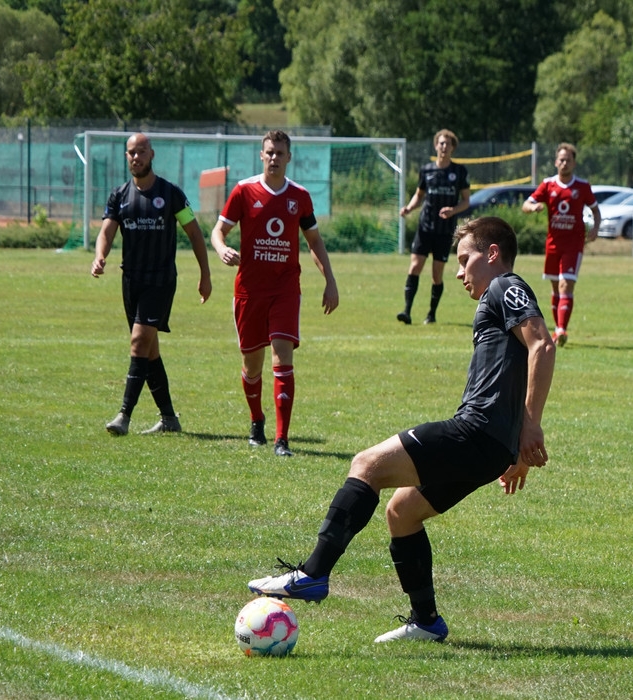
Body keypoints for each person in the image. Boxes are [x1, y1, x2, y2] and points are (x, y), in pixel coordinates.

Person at [247, 216, 556, 643]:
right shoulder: (497, 296)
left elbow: (542, 343)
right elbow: (521, 365)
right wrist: (517, 445)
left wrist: (531, 426)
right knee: (402, 512)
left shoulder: (506, 286)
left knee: (366, 464)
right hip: (491, 445)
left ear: (492, 254)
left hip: (476, 432)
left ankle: (313, 573)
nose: (459, 272)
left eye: (464, 260)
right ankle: (426, 621)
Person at [211, 129, 339, 458]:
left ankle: (282, 440)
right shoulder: (244, 191)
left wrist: (330, 280)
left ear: (289, 158)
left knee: (282, 355)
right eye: (269, 152)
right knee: (252, 365)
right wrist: (222, 249)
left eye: (280, 153)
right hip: (249, 291)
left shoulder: (300, 196)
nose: (274, 158)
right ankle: (257, 420)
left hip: (285, 288)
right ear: (261, 155)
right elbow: (218, 231)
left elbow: (314, 241)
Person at [91, 132, 212, 436]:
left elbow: (194, 233)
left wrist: (205, 274)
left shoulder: (171, 194)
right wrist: (100, 256)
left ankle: (124, 416)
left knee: (138, 342)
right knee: (149, 350)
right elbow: (106, 232)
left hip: (160, 280)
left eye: (141, 151)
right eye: (131, 152)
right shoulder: (119, 196)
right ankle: (169, 418)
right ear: (126, 156)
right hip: (131, 280)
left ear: (152, 154)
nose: (136, 157)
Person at [522, 143, 601, 347]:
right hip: (553, 245)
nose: (564, 163)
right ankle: (558, 329)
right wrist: (533, 207)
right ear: (556, 162)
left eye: (568, 160)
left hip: (573, 245)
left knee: (566, 284)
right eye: (561, 159)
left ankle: (561, 329)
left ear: (574, 163)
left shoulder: (582, 186)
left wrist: (595, 228)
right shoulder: (548, 184)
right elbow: (526, 204)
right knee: (556, 287)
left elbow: (595, 210)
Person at [397, 129, 471, 325]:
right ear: (436, 146)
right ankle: (406, 311)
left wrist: (453, 210)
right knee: (415, 266)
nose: (444, 147)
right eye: (441, 143)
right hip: (425, 227)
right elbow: (419, 195)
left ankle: (431, 314)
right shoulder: (427, 170)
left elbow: (466, 201)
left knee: (436, 274)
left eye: (448, 144)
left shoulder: (459, 172)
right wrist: (409, 208)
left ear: (453, 148)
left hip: (445, 230)